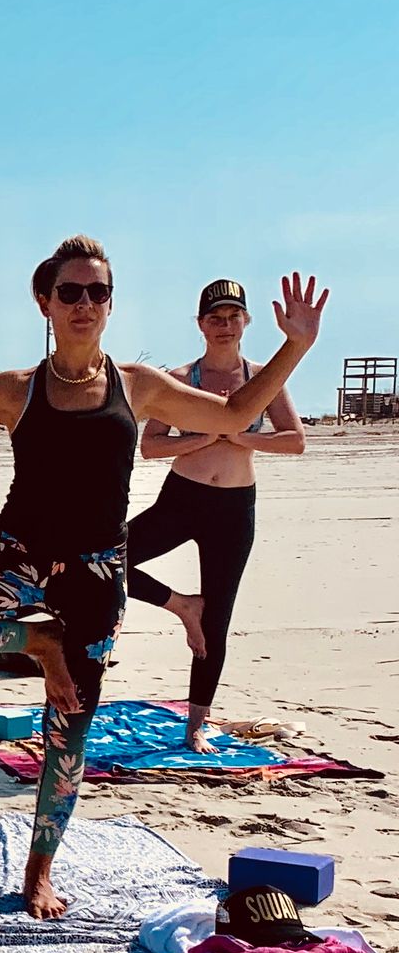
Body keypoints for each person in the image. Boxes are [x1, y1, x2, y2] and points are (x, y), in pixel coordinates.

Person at [0, 239, 325, 918]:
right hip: (19, 563)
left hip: (97, 577)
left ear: (111, 303)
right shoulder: (16, 389)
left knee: (70, 735)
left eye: (98, 292)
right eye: (72, 292)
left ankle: (38, 873)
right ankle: (36, 642)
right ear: (46, 303)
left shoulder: (139, 385)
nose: (86, 304)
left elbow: (234, 416)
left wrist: (295, 346)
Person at [126, 281, 306, 752]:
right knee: (105, 559)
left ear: (245, 322)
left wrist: (241, 437)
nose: (224, 326)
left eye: (232, 317)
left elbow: (294, 440)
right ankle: (181, 605)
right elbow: (151, 446)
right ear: (200, 324)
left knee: (218, 620)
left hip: (234, 508)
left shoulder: (264, 377)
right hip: (182, 499)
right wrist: (207, 436)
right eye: (214, 318)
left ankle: (196, 724)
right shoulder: (182, 379)